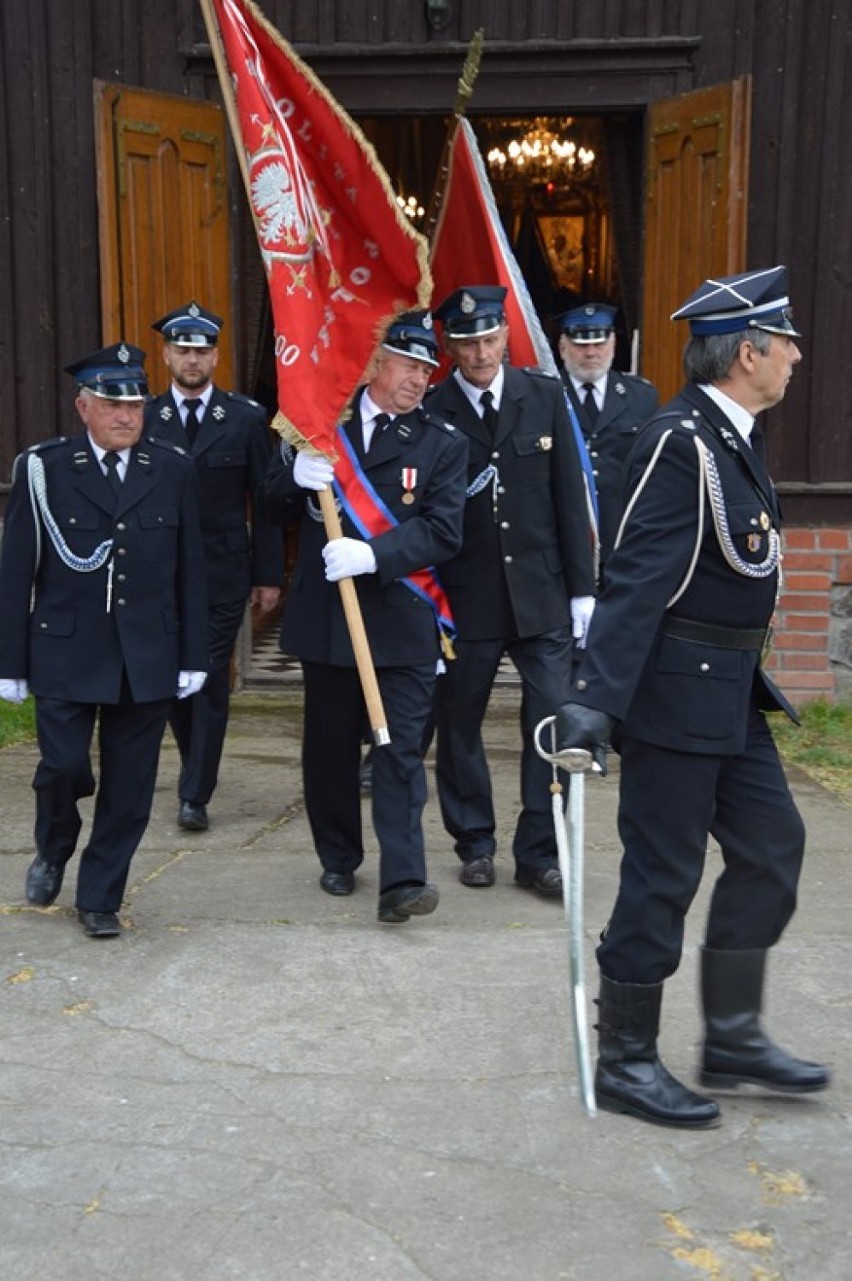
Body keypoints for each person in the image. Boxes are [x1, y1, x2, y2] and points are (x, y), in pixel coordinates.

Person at [551, 266, 830, 1127]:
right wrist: (593, 698)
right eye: (784, 342)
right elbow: (636, 573)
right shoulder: (682, 441)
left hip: (730, 695)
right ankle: (630, 1057)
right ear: (747, 352)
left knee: (773, 846)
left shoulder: (730, 437)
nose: (793, 356)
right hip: (674, 699)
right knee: (662, 877)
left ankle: (734, 1034)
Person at [258, 310, 468, 924]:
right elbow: (269, 506)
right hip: (329, 622)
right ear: (375, 362)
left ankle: (403, 880)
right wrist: (295, 476)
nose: (419, 379)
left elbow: (442, 530)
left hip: (400, 621)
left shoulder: (441, 443)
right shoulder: (318, 427)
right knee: (328, 752)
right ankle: (339, 855)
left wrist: (374, 553)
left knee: (399, 750)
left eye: (428, 369)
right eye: (409, 364)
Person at [0, 343, 208, 938]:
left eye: (136, 405)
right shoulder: (44, 468)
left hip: (146, 655)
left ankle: (100, 897)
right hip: (66, 649)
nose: (127, 416)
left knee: (131, 787)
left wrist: (193, 655)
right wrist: (9, 660)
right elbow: (17, 570)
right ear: (83, 407)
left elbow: (189, 565)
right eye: (113, 405)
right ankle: (54, 845)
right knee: (62, 768)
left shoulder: (170, 466)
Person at [426, 286, 596, 897]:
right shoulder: (433, 406)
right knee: (460, 722)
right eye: (467, 342)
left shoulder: (543, 396)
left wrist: (583, 590)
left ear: (505, 336)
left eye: (490, 338)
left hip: (540, 594)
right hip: (465, 598)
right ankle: (474, 842)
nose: (480, 352)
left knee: (550, 721)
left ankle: (539, 851)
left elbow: (568, 497)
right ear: (449, 345)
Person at [145, 302, 283, 832]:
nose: (193, 360)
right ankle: (193, 764)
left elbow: (265, 500)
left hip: (224, 572)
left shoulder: (245, 417)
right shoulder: (147, 416)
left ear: (216, 356)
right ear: (167, 356)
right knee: (175, 681)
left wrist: (269, 575)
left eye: (202, 351)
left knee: (208, 680)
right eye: (183, 350)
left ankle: (195, 793)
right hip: (162, 575)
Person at [557, 303, 659, 567]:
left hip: (624, 540)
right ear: (563, 347)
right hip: (565, 540)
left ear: (613, 345)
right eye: (581, 345)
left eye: (599, 344)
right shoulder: (546, 394)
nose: (591, 353)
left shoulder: (641, 397)